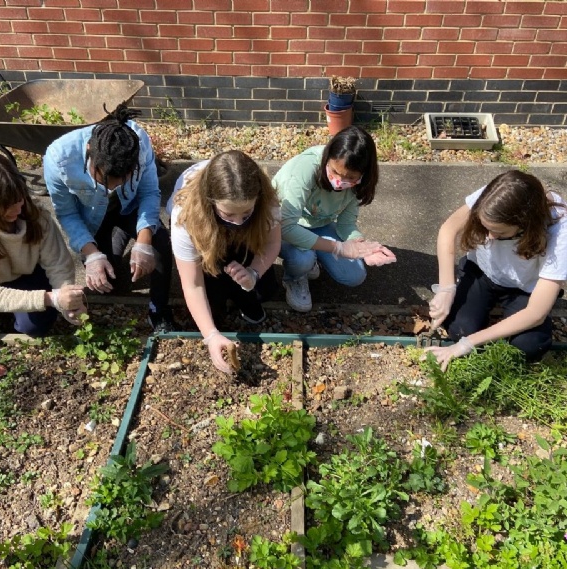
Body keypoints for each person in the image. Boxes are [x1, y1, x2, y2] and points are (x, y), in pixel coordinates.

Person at [43, 102, 176, 333]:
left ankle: (159, 311)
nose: (111, 188)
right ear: (89, 152)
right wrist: (91, 254)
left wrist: (144, 242)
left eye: (122, 180)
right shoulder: (59, 158)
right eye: (103, 179)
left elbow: (149, 193)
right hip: (92, 215)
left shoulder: (139, 144)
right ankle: (118, 234)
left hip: (130, 206)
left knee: (160, 243)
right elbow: (67, 213)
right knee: (109, 282)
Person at [427, 169, 567, 371]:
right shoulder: (496, 196)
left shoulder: (560, 230)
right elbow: (448, 229)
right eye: (485, 227)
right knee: (459, 329)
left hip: (525, 287)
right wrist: (446, 289)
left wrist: (468, 344)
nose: (489, 237)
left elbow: (535, 313)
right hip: (483, 272)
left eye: (499, 232)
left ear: (526, 224)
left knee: (529, 347)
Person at [168, 150, 281, 374]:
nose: (238, 222)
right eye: (229, 215)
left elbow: (272, 243)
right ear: (210, 202)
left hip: (242, 238)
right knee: (212, 294)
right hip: (206, 233)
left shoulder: (267, 201)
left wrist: (254, 273)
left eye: (246, 214)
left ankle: (245, 298)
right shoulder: (184, 215)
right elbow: (193, 284)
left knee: (262, 288)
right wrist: (210, 335)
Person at [272, 125, 396, 313]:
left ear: (363, 174)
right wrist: (338, 247)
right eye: (335, 172)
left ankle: (313, 255)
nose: (339, 182)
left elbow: (346, 224)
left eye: (350, 177)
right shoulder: (305, 169)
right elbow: (286, 227)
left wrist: (362, 246)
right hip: (281, 225)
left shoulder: (359, 184)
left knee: (354, 275)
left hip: (317, 224)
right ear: (327, 158)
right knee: (302, 259)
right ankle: (294, 278)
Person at [0, 150, 86, 340]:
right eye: (7, 205)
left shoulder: (37, 217)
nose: (17, 208)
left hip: (28, 276)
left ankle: (7, 311)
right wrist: (51, 298)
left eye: (19, 199)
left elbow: (58, 264)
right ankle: (0, 310)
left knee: (34, 327)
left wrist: (67, 302)